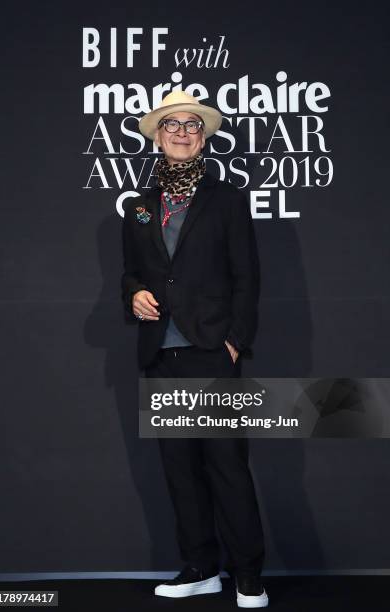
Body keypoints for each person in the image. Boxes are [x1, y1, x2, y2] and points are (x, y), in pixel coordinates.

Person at [121, 90, 268, 608]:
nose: (182, 132)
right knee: (179, 470)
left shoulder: (225, 199)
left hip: (211, 350)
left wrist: (235, 341)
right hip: (160, 355)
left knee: (226, 467)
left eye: (191, 125)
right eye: (171, 124)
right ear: (157, 135)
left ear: (202, 138)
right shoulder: (138, 206)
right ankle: (201, 567)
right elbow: (132, 272)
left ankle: (249, 575)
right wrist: (133, 295)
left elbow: (246, 276)